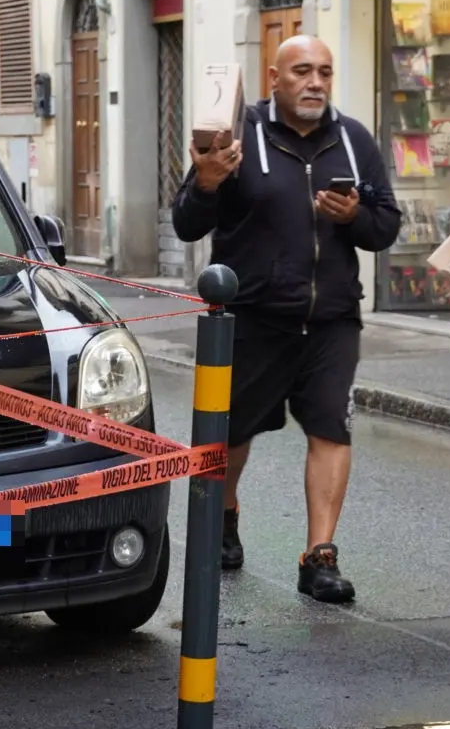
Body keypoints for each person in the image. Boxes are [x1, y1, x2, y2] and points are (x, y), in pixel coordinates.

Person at [171, 35, 401, 603]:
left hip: (331, 320)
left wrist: (354, 217)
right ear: (274, 77)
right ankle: (225, 517)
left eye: (325, 71)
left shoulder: (353, 141)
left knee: (331, 429)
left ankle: (319, 555)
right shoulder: (236, 135)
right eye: (302, 71)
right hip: (254, 317)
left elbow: (385, 225)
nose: (316, 82)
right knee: (234, 430)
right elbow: (185, 224)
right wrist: (206, 181)